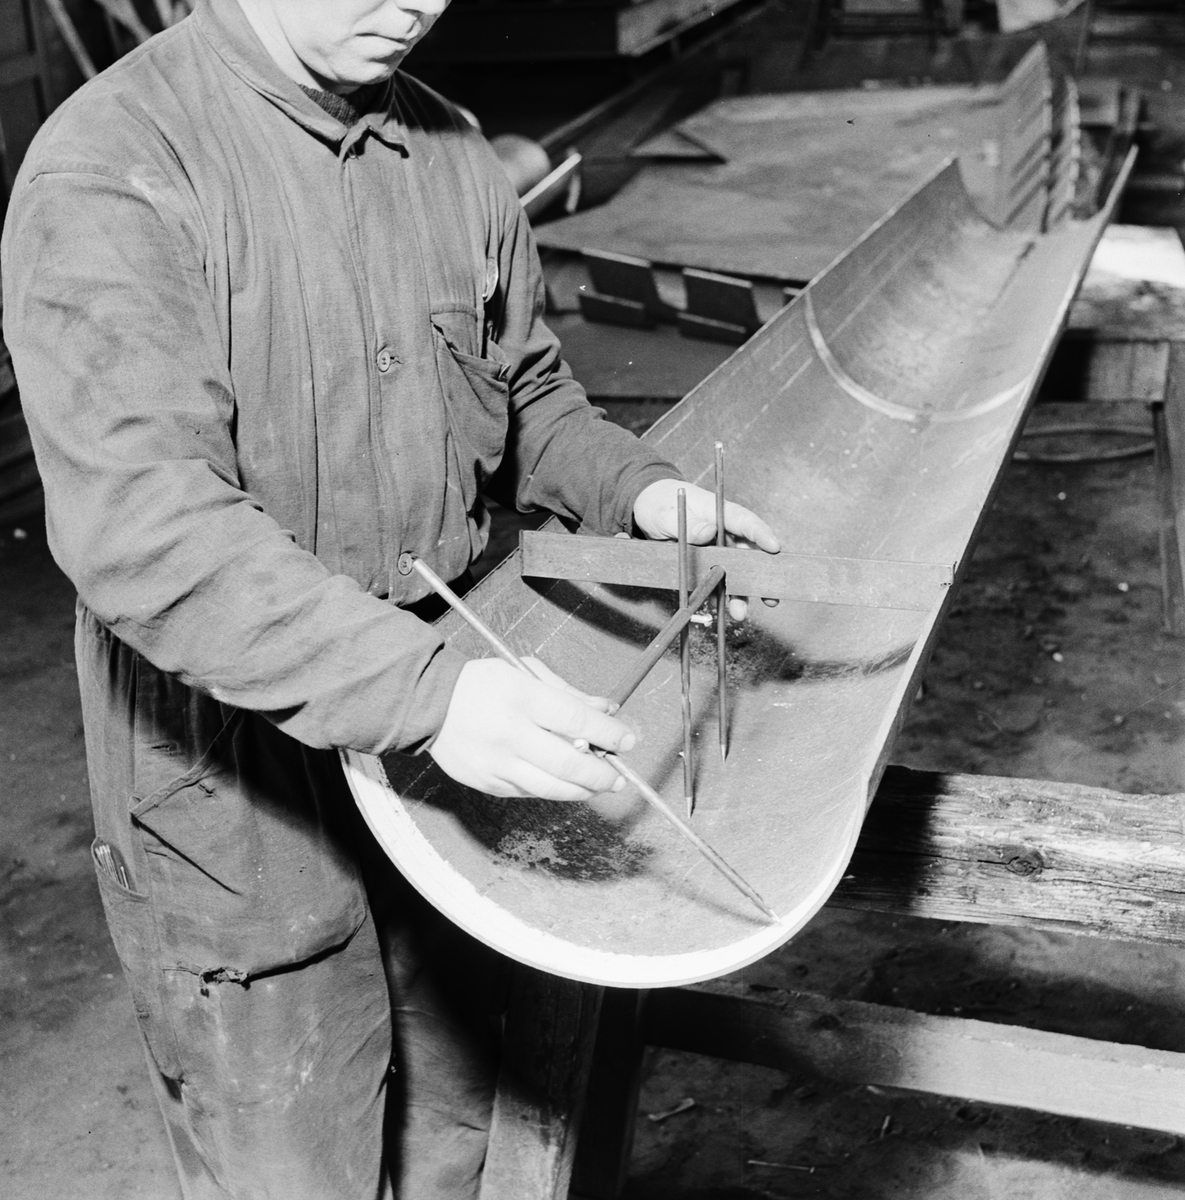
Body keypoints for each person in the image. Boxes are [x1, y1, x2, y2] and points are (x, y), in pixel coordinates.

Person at [1, 1, 780, 1196]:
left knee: (455, 1122)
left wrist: (638, 491)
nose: (414, 2)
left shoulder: (453, 152)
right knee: (293, 1150)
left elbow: (527, 397)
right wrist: (430, 696)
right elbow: (146, 527)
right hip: (234, 775)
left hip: (447, 728)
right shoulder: (116, 166)